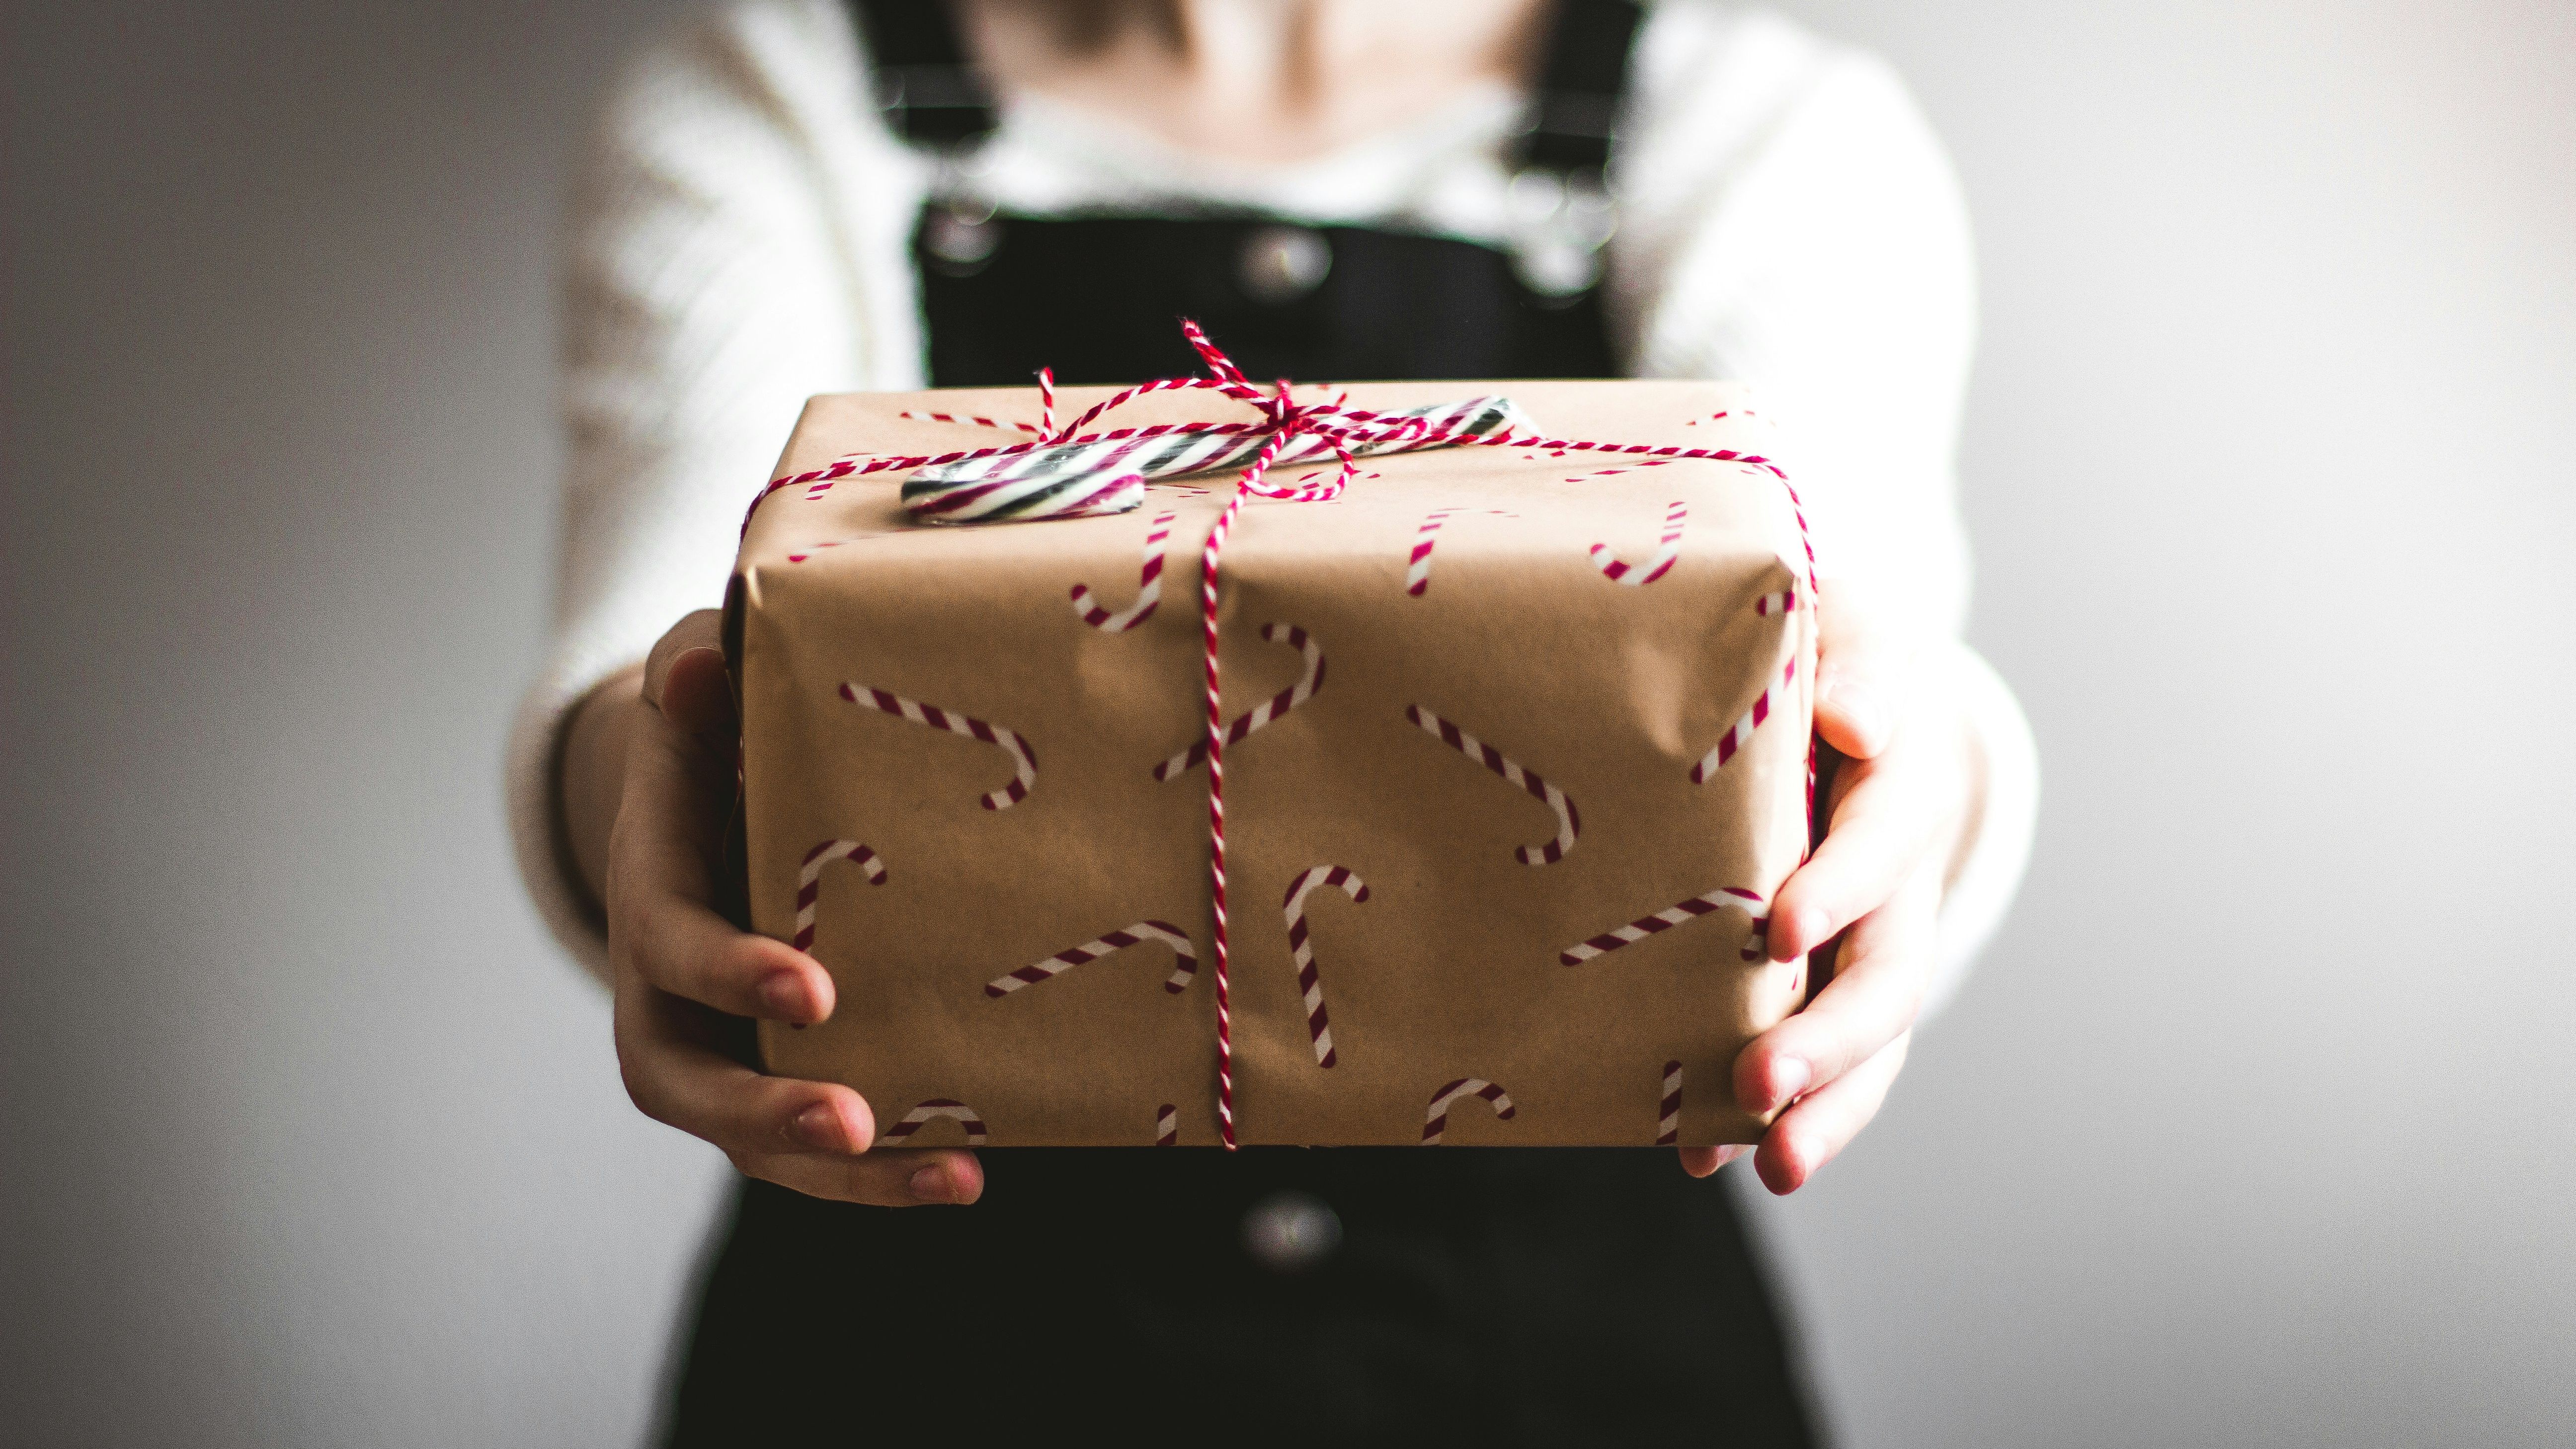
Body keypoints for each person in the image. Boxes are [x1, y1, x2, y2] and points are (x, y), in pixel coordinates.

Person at [506, 0, 2038, 1441]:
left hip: (1583, 1366)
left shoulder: (1756, 128)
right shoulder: (777, 99)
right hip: (911, 1363)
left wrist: (1919, 783)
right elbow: (664, 645)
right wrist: (645, 793)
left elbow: (1855, 637)